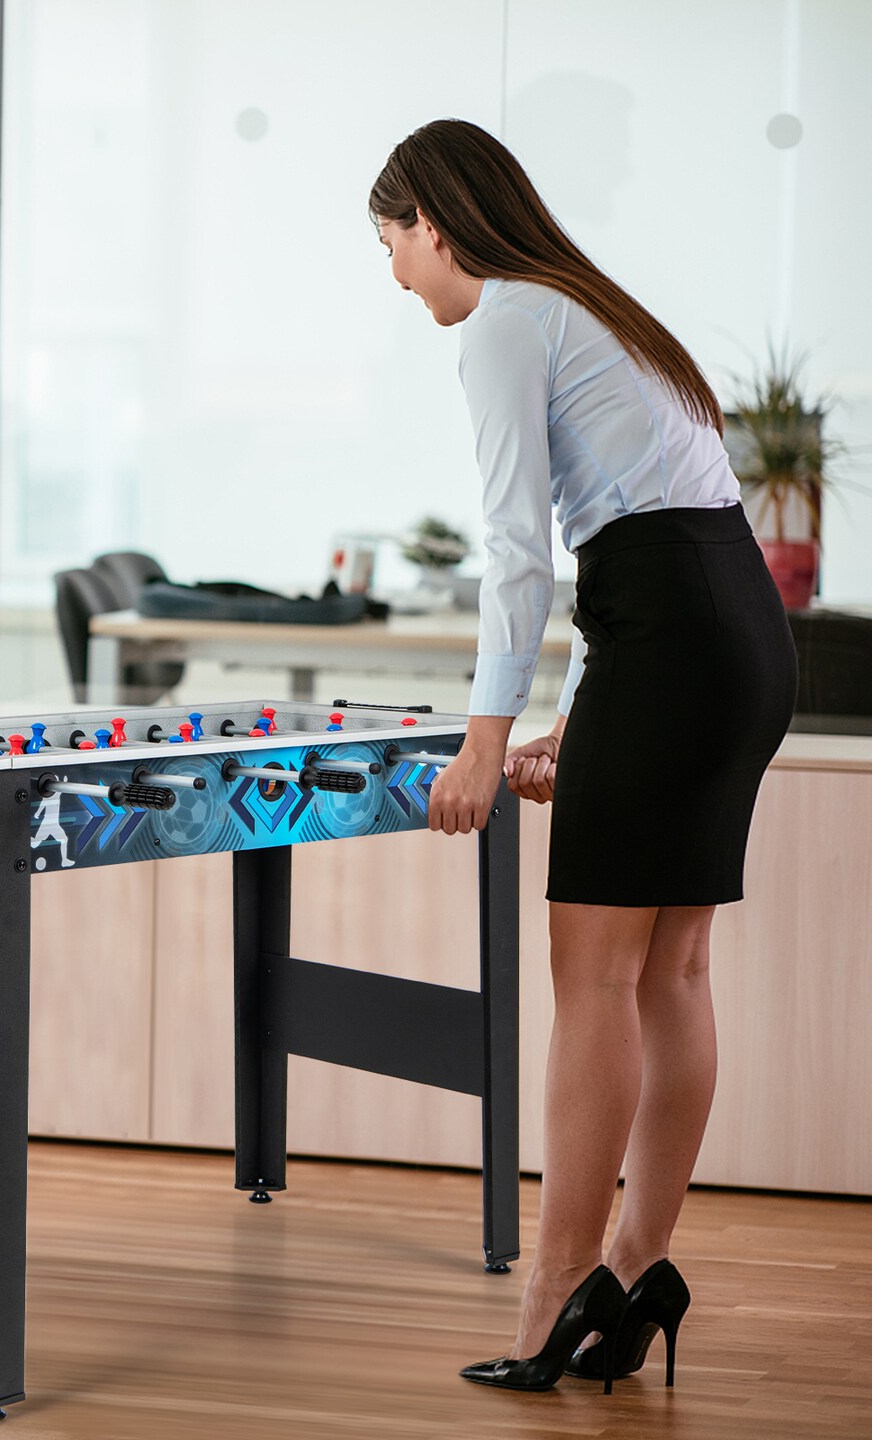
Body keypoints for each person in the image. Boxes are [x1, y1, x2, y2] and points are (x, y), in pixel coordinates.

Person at [369, 120, 796, 1392]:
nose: (396, 277)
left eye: (390, 245)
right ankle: (636, 1267)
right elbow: (647, 538)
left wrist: (483, 741)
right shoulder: (594, 308)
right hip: (731, 635)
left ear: (434, 226)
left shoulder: (504, 316)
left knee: (597, 978)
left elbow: (519, 552)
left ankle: (557, 1288)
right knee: (672, 969)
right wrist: (582, 715)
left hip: (667, 639)